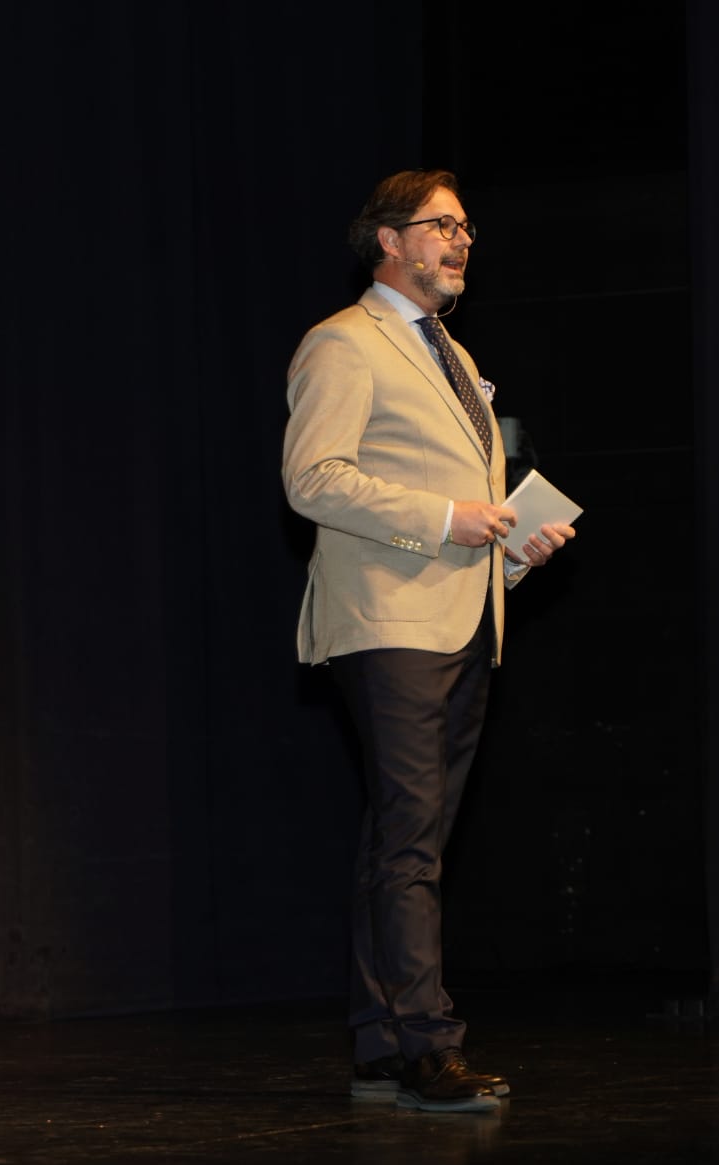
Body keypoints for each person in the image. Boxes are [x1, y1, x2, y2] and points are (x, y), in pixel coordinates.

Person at [281, 169, 574, 1113]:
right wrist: (447, 516)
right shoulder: (342, 343)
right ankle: (426, 1046)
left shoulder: (453, 354)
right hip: (389, 622)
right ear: (388, 241)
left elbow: (469, 517)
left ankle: (378, 1044)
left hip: (463, 618)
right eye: (440, 226)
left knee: (407, 839)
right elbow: (313, 480)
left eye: (464, 227)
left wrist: (515, 547)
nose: (460, 242)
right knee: (410, 843)